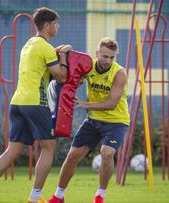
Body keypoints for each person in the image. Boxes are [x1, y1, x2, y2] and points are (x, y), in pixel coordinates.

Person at [0, 7, 71, 203]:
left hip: (17, 102)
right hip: (36, 103)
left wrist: (56, 51)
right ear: (47, 25)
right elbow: (61, 76)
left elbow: (42, 60)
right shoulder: (44, 47)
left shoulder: (29, 44)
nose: (57, 27)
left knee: (13, 149)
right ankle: (35, 198)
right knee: (48, 148)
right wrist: (63, 56)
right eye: (55, 23)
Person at [48, 37, 130, 203]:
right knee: (72, 156)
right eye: (104, 56)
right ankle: (58, 196)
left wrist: (86, 105)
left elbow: (112, 103)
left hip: (116, 122)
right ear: (97, 53)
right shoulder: (88, 65)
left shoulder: (119, 73)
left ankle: (100, 196)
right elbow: (71, 76)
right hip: (93, 121)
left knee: (107, 153)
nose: (108, 60)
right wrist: (75, 82)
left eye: (111, 57)